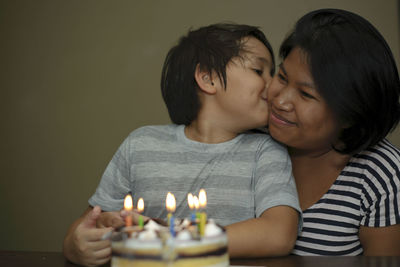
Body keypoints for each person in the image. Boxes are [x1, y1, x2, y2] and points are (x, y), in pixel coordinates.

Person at [63, 23, 301, 266]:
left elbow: (279, 234)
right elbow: (90, 221)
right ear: (208, 78)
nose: (273, 85)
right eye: (258, 70)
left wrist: (170, 239)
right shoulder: (141, 145)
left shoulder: (266, 151)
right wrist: (75, 244)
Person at [267, 8, 400, 256]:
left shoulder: (381, 173)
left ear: (349, 115)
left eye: (306, 94)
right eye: (282, 77)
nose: (280, 101)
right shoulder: (250, 138)